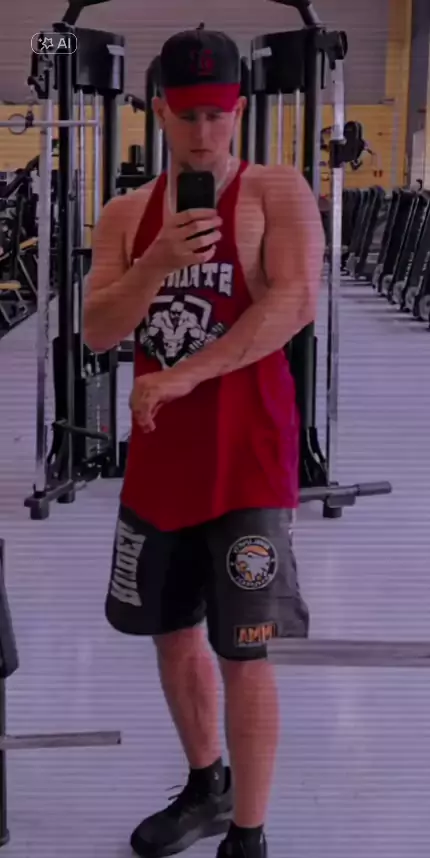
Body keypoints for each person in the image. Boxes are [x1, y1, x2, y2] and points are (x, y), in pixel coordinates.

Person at [83, 24, 325, 858]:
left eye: (217, 113)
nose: (203, 131)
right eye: (186, 114)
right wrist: (153, 265)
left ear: (238, 110)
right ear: (159, 110)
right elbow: (95, 329)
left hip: (249, 460)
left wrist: (184, 375)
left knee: (245, 652)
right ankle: (206, 785)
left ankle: (249, 834)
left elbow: (293, 302)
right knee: (172, 632)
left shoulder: (277, 192)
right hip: (162, 464)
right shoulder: (125, 214)